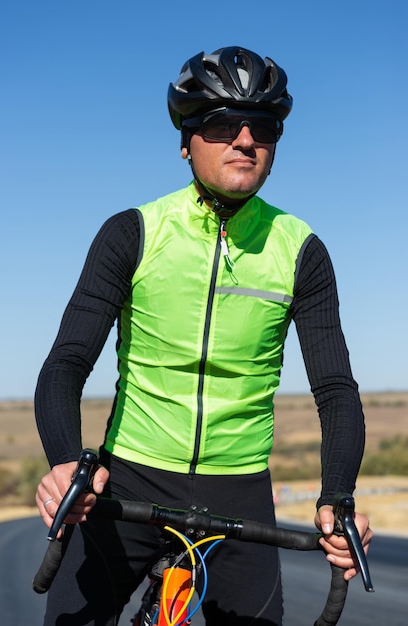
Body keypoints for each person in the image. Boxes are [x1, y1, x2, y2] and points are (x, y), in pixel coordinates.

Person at [35, 46, 372, 626]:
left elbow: (336, 390)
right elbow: (66, 363)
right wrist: (66, 461)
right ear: (187, 140)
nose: (245, 140)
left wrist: (337, 496)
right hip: (129, 479)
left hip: (240, 489)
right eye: (221, 125)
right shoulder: (132, 232)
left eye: (262, 128)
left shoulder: (301, 250)